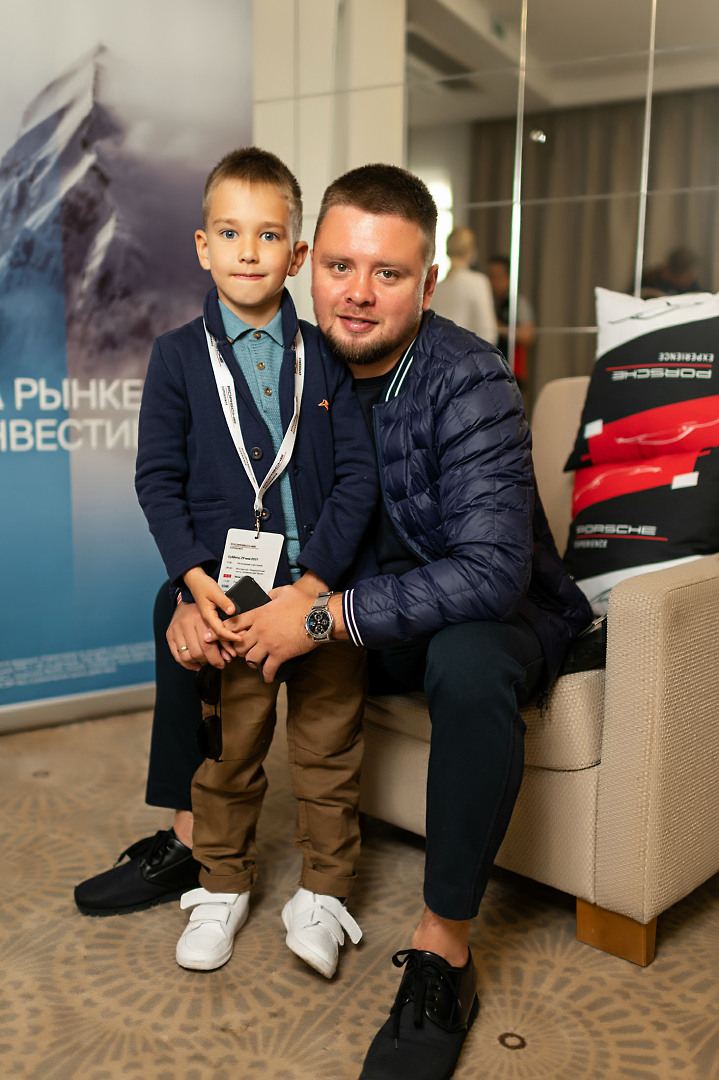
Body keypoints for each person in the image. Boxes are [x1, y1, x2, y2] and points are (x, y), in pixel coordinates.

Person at [226, 165, 593, 1079]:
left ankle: (442, 949)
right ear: (308, 266)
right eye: (340, 267)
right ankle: (193, 841)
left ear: (426, 285)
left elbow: (490, 573)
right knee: (192, 598)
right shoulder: (287, 368)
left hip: (490, 615)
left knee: (467, 661)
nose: (357, 293)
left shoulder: (470, 381)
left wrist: (320, 619)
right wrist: (217, 592)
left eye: (387, 273)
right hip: (362, 616)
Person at [76, 147, 377, 982]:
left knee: (328, 752)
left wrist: (314, 583)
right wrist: (194, 580)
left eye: (269, 234)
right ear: (202, 247)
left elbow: (359, 479)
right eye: (231, 233)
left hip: (321, 591)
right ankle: (220, 884)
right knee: (228, 752)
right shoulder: (177, 356)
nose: (250, 251)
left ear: (298, 253)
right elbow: (156, 479)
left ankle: (324, 892)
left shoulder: (326, 354)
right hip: (234, 591)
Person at [431, 226, 497, 344]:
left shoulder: (435, 288)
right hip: (468, 352)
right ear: (471, 251)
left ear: (447, 251)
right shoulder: (479, 282)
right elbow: (488, 333)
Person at [487, 253, 536, 394]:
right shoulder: (487, 301)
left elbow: (528, 336)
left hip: (512, 371)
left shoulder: (518, 303)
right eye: (489, 276)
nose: (491, 281)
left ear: (508, 278)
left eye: (496, 276)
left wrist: (496, 327)